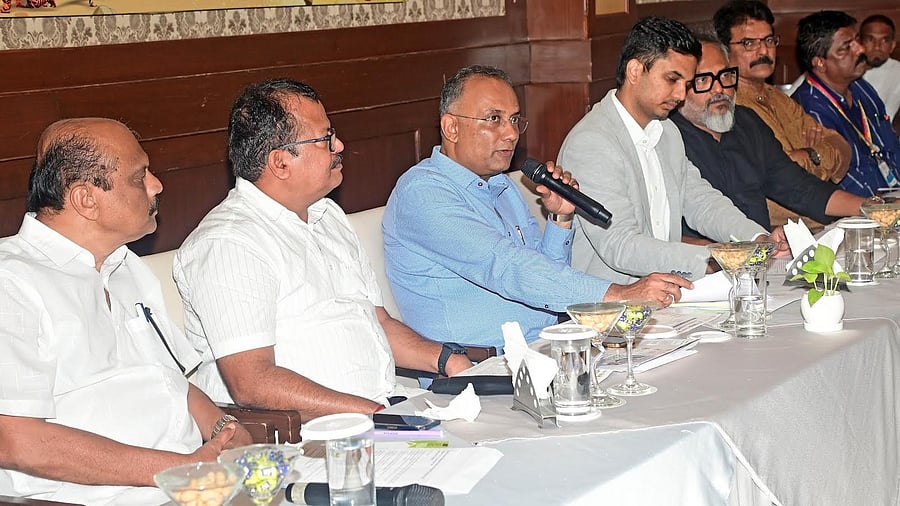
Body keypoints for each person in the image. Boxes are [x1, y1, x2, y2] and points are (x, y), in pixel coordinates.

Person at [174, 79, 472, 419]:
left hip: (385, 407)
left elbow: (377, 322)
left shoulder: (327, 215)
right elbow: (253, 382)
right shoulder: (229, 243)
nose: (340, 145)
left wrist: (448, 359)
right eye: (326, 139)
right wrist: (376, 415)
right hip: (309, 438)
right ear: (280, 162)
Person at [0, 118, 252, 505]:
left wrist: (224, 428)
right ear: (86, 199)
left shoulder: (125, 266)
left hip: (196, 488)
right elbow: (16, 440)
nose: (156, 185)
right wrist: (176, 469)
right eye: (139, 177)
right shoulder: (12, 281)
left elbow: (171, 381)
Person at [382, 65, 691, 347]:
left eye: (515, 119)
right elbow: (507, 267)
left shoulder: (502, 187)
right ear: (451, 128)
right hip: (478, 372)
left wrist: (560, 218)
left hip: (546, 347)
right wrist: (618, 295)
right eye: (494, 119)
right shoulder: (423, 194)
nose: (512, 133)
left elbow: (545, 270)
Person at [557, 16, 783, 286]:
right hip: (613, 308)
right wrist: (709, 259)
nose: (680, 94)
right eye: (672, 79)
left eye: (686, 83)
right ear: (634, 71)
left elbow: (701, 200)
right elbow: (620, 245)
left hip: (667, 295)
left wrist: (756, 239)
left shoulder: (666, 130)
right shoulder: (592, 142)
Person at [670, 37, 866, 242]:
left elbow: (799, 188)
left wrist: (874, 208)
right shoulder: (667, 137)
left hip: (765, 255)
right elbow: (662, 234)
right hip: (705, 264)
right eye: (703, 80)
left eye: (725, 76)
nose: (719, 89)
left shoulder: (747, 122)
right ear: (680, 87)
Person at [713, 0, 852, 230]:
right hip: (781, 234)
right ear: (724, 51)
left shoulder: (779, 98)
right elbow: (775, 176)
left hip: (824, 222)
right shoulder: (727, 107)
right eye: (749, 43)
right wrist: (813, 158)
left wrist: (808, 154)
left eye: (768, 40)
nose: (764, 51)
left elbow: (842, 148)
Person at [793, 11, 900, 197]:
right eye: (846, 47)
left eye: (857, 40)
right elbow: (841, 184)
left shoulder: (861, 87)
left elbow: (890, 145)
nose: (860, 50)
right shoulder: (808, 110)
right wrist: (888, 205)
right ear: (820, 63)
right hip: (861, 212)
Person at [860, 14, 900, 123]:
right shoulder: (844, 69)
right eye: (870, 39)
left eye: (884, 40)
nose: (877, 47)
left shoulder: (897, 72)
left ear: (892, 45)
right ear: (859, 42)